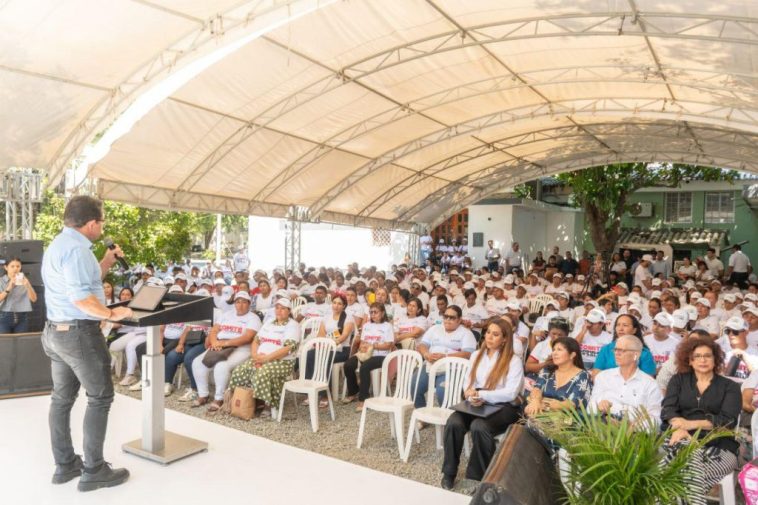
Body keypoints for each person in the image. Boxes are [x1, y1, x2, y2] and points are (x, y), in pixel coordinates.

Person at [40, 195, 133, 491]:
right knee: (100, 397)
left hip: (55, 332)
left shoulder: (60, 244)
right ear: (92, 223)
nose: (102, 227)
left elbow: (86, 283)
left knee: (61, 399)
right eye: (101, 222)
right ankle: (93, 470)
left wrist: (106, 262)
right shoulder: (78, 251)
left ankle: (65, 465)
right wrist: (111, 313)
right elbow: (81, 298)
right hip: (78, 334)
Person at [441, 319, 524, 490]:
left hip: (505, 407)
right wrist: (471, 394)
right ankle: (449, 472)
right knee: (453, 422)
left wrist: (482, 395)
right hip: (479, 402)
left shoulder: (513, 360)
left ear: (505, 339)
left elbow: (511, 393)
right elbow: (468, 383)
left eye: (495, 334)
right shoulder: (476, 355)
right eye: (488, 333)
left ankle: (476, 478)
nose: (489, 337)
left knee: (480, 426)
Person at [661, 336, 741, 504]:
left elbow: (728, 421)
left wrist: (689, 425)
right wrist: (679, 428)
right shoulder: (678, 380)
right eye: (697, 356)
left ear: (715, 359)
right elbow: (668, 409)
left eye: (708, 355)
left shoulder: (730, 387)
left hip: (719, 446)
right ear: (689, 360)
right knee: (686, 465)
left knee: (683, 473)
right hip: (678, 440)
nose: (703, 360)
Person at [228, 298, 300, 418]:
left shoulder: (293, 325)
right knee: (240, 370)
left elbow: (288, 348)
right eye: (277, 308)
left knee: (263, 372)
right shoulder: (269, 322)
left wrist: (266, 359)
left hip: (282, 362)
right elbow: (256, 340)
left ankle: (268, 404)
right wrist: (255, 356)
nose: (279, 311)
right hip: (260, 359)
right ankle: (247, 401)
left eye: (283, 308)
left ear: (289, 311)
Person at [191, 291, 261, 412]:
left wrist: (223, 343)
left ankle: (219, 398)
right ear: (234, 303)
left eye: (244, 302)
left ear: (249, 304)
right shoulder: (226, 314)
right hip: (220, 345)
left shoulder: (253, 318)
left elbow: (247, 338)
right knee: (197, 362)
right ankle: (203, 395)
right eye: (238, 302)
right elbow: (214, 330)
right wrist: (214, 343)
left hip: (241, 348)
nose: (240, 305)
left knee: (221, 366)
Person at [413, 305, 477, 408]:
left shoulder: (466, 333)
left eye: (452, 317)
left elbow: (468, 354)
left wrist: (445, 357)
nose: (447, 320)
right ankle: (421, 413)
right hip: (431, 364)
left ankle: (446, 419)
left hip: (451, 368)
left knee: (442, 392)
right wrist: (426, 354)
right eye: (445, 316)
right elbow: (422, 345)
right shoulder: (435, 329)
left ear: (459, 319)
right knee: (414, 386)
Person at [589, 335, 663, 424]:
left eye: (622, 350)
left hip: (634, 433)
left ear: (636, 354)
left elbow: (655, 420)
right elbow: (589, 408)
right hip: (603, 427)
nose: (617, 353)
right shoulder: (603, 377)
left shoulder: (650, 384)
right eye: (615, 349)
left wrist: (630, 427)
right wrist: (599, 406)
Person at [342, 302, 395, 412]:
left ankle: (363, 398)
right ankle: (353, 391)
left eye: (376, 312)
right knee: (348, 364)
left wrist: (373, 345)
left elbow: (388, 345)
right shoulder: (366, 326)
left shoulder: (387, 326)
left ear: (382, 313)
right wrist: (363, 346)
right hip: (366, 353)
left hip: (381, 355)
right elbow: (362, 342)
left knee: (365, 367)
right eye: (371, 312)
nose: (373, 314)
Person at [592, 314, 657, 376]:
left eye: (625, 325)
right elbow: (596, 375)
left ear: (634, 330)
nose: (621, 329)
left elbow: (648, 379)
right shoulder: (606, 349)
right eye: (618, 325)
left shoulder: (644, 353)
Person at [0, 256, 38, 333]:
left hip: (22, 317)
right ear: (6, 267)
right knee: (4, 343)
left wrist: (28, 285)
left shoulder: (25, 281)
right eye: (12, 266)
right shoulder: (1, 281)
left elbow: (34, 299)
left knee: (21, 343)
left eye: (18, 266)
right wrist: (9, 288)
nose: (15, 269)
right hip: (4, 317)